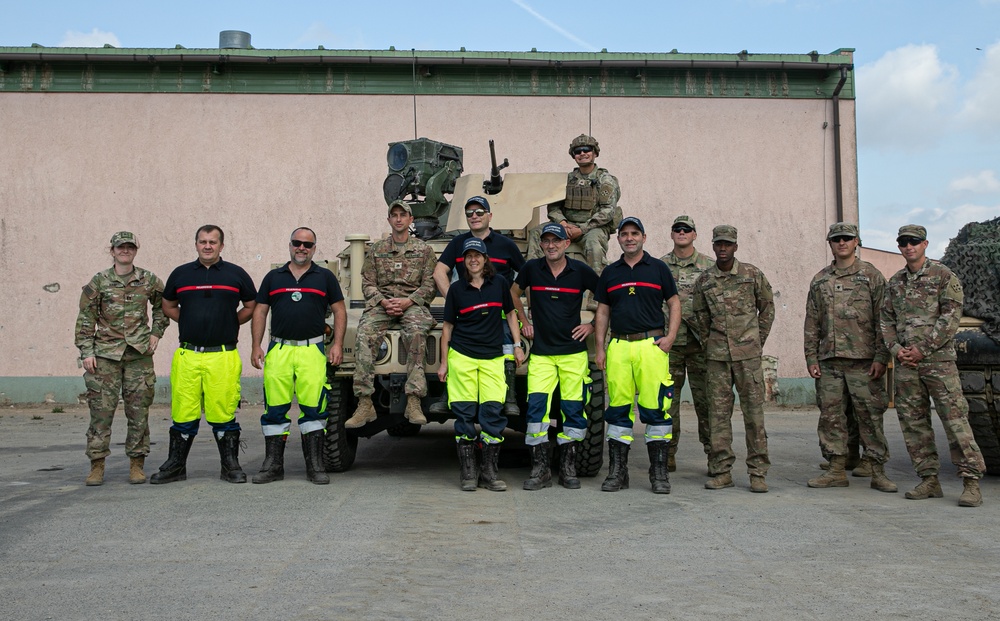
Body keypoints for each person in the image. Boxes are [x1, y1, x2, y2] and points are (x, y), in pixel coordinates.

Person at [881, 224, 985, 507]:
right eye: (903, 242)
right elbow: (886, 322)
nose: (908, 246)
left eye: (913, 241)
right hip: (906, 365)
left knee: (954, 421)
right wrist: (897, 350)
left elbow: (950, 318)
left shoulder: (944, 276)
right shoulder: (895, 283)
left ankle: (971, 482)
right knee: (914, 424)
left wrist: (922, 349)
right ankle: (928, 480)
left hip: (938, 362)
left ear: (925, 244)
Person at [150, 225, 257, 485]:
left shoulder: (236, 274)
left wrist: (231, 322)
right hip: (188, 354)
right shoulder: (181, 274)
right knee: (183, 412)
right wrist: (186, 319)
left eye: (212, 242)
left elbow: (251, 306)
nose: (207, 246)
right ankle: (176, 466)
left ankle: (230, 466)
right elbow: (168, 305)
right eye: (202, 242)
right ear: (196, 244)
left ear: (221, 246)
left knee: (223, 412)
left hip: (222, 355)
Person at [250, 227, 347, 485]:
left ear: (314, 248)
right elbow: (260, 311)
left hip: (312, 350)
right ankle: (273, 466)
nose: (301, 248)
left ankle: (315, 466)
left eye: (307, 244)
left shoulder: (324, 277)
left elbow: (339, 311)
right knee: (274, 409)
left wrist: (336, 344)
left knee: (315, 409)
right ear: (290, 245)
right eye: (297, 243)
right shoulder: (273, 277)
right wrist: (256, 346)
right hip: (278, 351)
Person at [803, 222, 895, 492]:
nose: (842, 242)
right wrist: (811, 357)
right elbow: (812, 322)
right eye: (836, 239)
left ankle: (877, 469)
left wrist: (881, 356)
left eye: (847, 238)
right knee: (831, 416)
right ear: (830, 244)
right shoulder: (820, 279)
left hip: (864, 361)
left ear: (857, 242)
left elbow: (884, 319)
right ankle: (835, 468)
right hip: (829, 360)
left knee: (869, 416)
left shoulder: (871, 276)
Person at [594, 217, 680, 494]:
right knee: (618, 410)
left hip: (651, 346)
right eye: (624, 234)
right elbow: (603, 312)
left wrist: (670, 338)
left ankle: (659, 474)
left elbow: (674, 303)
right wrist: (600, 348)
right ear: (618, 239)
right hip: (619, 346)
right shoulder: (610, 272)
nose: (629, 238)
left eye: (634, 233)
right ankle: (618, 473)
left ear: (644, 237)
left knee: (656, 410)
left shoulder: (658, 268)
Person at [75, 231, 168, 486]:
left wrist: (156, 333)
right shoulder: (100, 281)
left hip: (138, 355)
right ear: (112, 250)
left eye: (129, 247)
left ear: (135, 250)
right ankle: (97, 464)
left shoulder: (148, 280)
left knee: (138, 412)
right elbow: (86, 319)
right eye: (120, 247)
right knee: (101, 412)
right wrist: (87, 351)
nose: (125, 251)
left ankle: (137, 463)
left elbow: (165, 305)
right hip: (105, 355)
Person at [511, 223, 599, 490]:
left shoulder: (580, 271)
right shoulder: (531, 270)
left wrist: (592, 324)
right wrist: (524, 320)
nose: (550, 245)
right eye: (546, 241)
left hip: (573, 354)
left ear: (565, 244)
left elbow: (607, 298)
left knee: (573, 411)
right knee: (536, 413)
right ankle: (540, 470)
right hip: (542, 355)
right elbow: (513, 293)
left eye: (556, 241)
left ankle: (568, 468)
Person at [438, 238, 526, 492]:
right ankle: (468, 473)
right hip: (463, 357)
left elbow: (511, 314)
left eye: (478, 255)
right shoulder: (456, 290)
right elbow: (447, 328)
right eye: (468, 256)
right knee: (464, 415)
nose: (473, 260)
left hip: (492, 358)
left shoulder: (499, 284)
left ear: (485, 259)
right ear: (463, 261)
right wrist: (444, 363)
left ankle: (489, 473)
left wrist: (517, 345)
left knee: (492, 415)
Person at [692, 225, 775, 493]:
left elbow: (767, 308)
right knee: (718, 416)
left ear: (736, 246)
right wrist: (709, 344)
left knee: (754, 415)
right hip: (717, 358)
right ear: (714, 246)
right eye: (719, 244)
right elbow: (700, 316)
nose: (723, 248)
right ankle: (721, 470)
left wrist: (756, 340)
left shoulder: (752, 275)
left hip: (748, 358)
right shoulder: (705, 281)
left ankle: (758, 472)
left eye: (728, 244)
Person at [345, 200, 437, 429]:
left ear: (410, 220)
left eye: (402, 215)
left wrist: (408, 301)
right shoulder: (377, 250)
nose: (398, 219)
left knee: (417, 333)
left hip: (412, 304)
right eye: (394, 215)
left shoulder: (424, 250)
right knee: (364, 333)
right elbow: (367, 282)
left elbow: (430, 285)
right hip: (382, 305)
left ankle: (414, 400)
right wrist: (384, 302)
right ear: (389, 220)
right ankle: (365, 403)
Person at [432, 196, 525, 417]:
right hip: (468, 312)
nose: (474, 216)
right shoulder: (457, 243)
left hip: (499, 311)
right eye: (470, 213)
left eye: (479, 212)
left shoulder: (506, 244)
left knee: (507, 342)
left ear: (490, 216)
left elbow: (526, 277)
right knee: (454, 343)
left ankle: (509, 395)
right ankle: (448, 395)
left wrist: (527, 316)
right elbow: (439, 272)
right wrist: (455, 300)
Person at [658, 215, 715, 473]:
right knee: (668, 403)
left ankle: (715, 454)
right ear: (672, 234)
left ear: (694, 234)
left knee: (708, 403)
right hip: (670, 344)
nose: (681, 232)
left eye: (687, 229)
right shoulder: (659, 267)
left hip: (701, 345)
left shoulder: (709, 267)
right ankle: (668, 453)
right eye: (677, 229)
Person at [526, 134, 622, 275]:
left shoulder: (605, 180)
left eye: (586, 149)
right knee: (537, 233)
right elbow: (554, 207)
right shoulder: (567, 180)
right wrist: (563, 223)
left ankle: (596, 293)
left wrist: (582, 229)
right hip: (565, 226)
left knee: (594, 247)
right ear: (573, 155)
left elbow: (607, 211)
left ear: (595, 153)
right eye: (578, 151)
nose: (582, 153)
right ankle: (532, 280)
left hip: (593, 228)